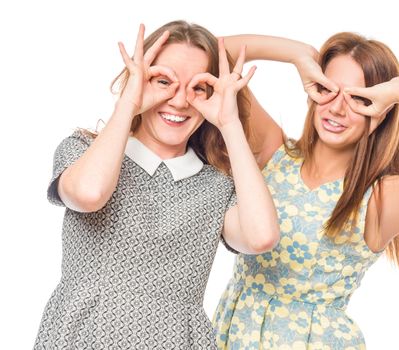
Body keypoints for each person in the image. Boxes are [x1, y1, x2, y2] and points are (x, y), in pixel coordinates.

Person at [212, 32, 399, 349]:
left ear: (380, 113)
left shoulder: (380, 200)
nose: (337, 108)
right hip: (231, 330)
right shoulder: (274, 154)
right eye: (327, 89)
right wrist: (298, 53)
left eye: (359, 99)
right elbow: (214, 55)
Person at [33, 21, 279, 349]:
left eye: (198, 88)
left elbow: (261, 237)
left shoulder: (217, 186)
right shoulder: (83, 150)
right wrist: (129, 105)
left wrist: (230, 123)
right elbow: (89, 194)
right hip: (83, 335)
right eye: (163, 81)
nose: (179, 101)